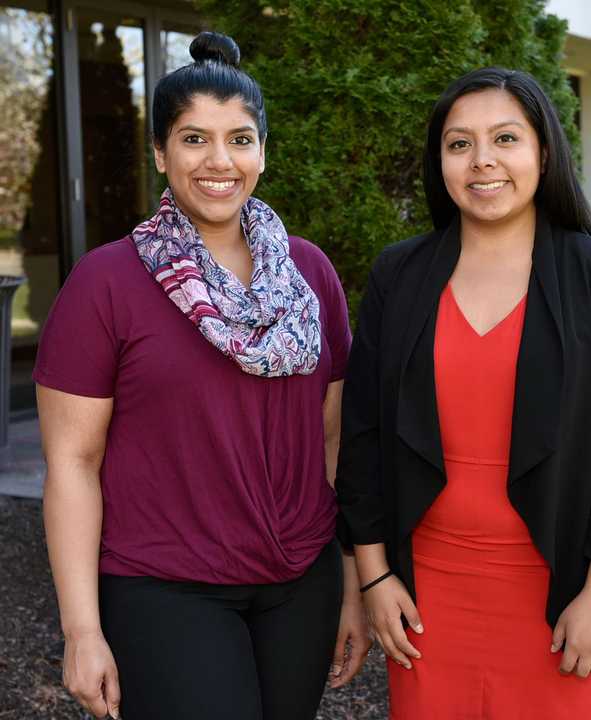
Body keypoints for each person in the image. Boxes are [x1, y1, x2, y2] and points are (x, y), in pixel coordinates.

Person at [35, 31, 370, 720]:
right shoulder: (105, 283)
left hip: (299, 582)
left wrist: (351, 586)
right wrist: (82, 631)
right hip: (165, 587)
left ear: (263, 152)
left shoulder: (310, 277)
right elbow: (72, 460)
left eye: (240, 139)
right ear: (160, 153)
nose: (220, 161)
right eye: (194, 139)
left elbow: (333, 441)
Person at [336, 67, 591, 719]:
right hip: (427, 593)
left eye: (505, 139)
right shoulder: (400, 274)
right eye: (459, 144)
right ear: (440, 162)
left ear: (543, 152)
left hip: (561, 590)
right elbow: (363, 433)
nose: (482, 161)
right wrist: (372, 575)